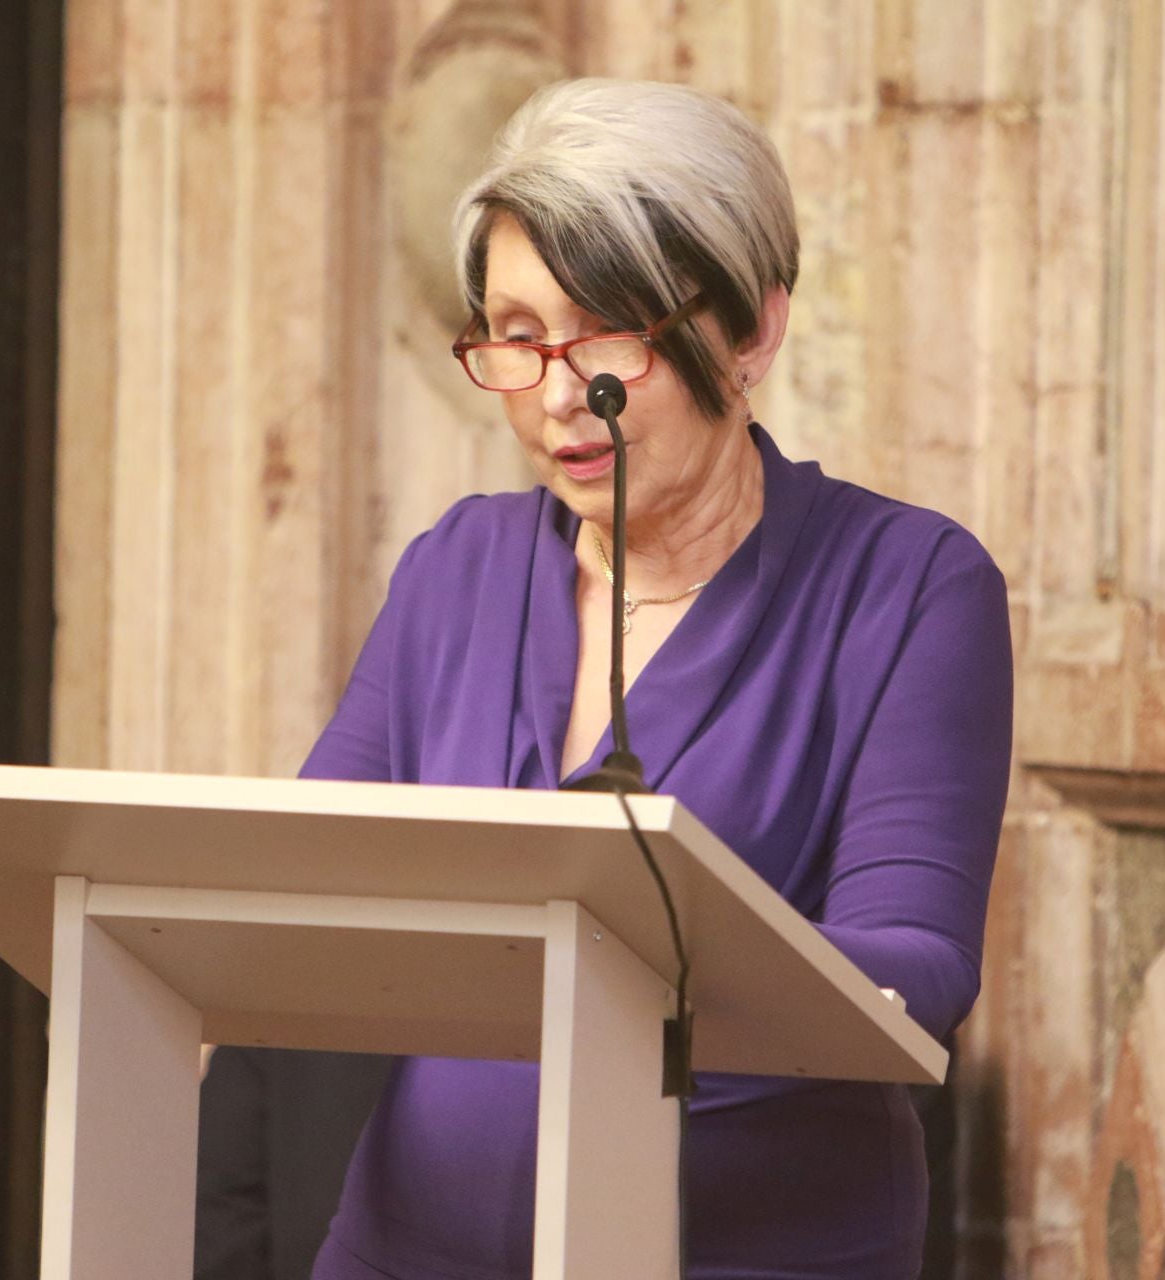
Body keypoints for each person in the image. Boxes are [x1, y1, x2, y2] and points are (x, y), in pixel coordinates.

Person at [302, 77, 1013, 1279]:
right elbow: (306, 882)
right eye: (518, 338)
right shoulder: (454, 570)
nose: (560, 397)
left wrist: (644, 944)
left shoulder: (907, 585)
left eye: (611, 335)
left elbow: (920, 965)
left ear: (752, 330)